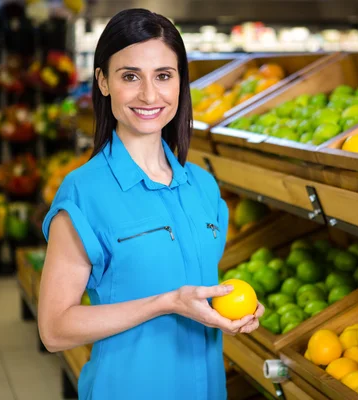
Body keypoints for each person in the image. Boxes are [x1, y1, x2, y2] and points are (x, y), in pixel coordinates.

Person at [37, 8, 264, 400]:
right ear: (103, 82)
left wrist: (234, 309)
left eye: (163, 76)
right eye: (130, 76)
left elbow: (199, 289)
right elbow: (55, 330)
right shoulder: (83, 192)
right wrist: (165, 303)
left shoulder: (204, 188)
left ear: (180, 83)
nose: (149, 94)